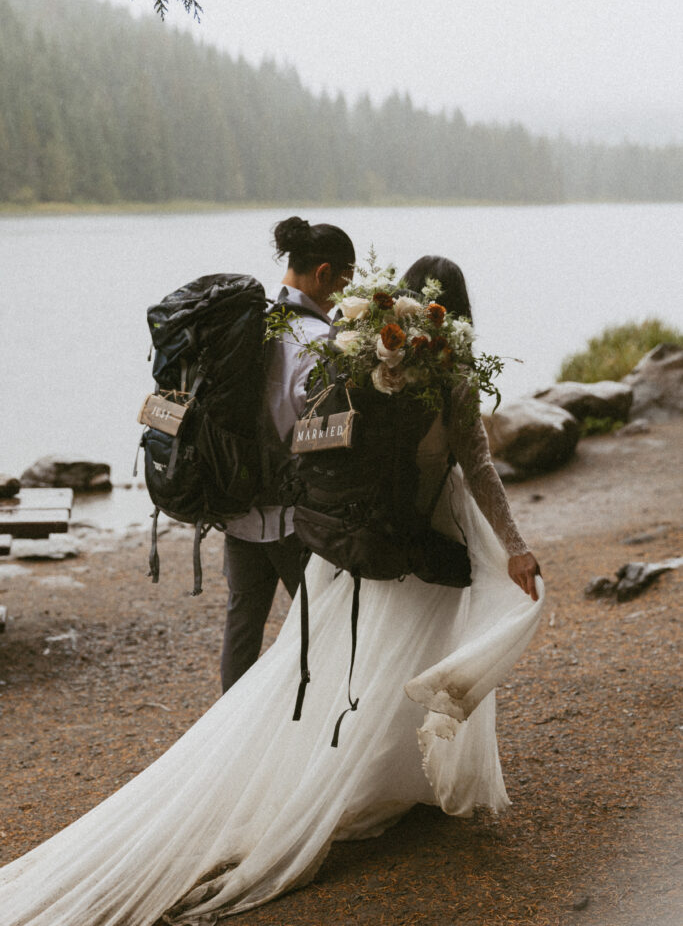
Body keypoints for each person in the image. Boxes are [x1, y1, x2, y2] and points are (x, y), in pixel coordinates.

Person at [0, 251, 544, 925]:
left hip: (335, 535)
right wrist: (515, 548)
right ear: (454, 313)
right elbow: (476, 464)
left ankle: (355, 770)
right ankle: (360, 778)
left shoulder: (349, 355)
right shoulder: (441, 371)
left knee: (322, 657)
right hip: (415, 534)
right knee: (396, 655)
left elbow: (314, 440)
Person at [220, 216, 355, 692]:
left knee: (241, 628)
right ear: (323, 274)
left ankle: (229, 740)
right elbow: (316, 433)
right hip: (292, 518)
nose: (344, 295)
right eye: (345, 282)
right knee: (322, 629)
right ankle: (316, 739)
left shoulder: (246, 323)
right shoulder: (317, 343)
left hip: (235, 504)